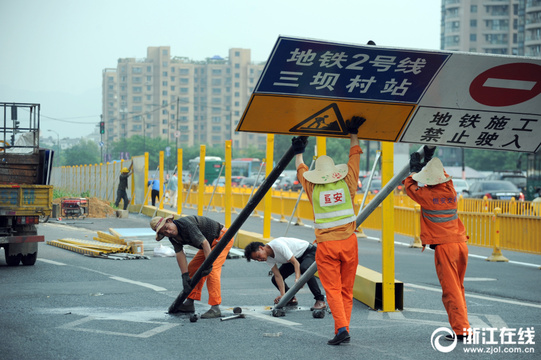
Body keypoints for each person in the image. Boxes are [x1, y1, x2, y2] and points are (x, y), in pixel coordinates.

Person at [293, 115, 366, 345]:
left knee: (332, 289)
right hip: (349, 242)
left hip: (326, 246)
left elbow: (300, 169)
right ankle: (342, 328)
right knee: (346, 289)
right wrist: (353, 132)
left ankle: (341, 328)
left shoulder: (312, 187)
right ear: (335, 172)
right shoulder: (348, 183)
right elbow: (354, 158)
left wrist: (298, 150)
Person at [403, 150, 471, 341]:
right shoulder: (451, 190)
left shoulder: (426, 196)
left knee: (451, 290)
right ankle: (463, 325)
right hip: (461, 244)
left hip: (445, 247)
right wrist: (428, 160)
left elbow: (409, 186)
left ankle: (461, 330)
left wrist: (414, 169)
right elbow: (442, 176)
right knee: (458, 288)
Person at [150, 214, 233, 319]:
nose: (168, 232)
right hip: (208, 244)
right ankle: (190, 302)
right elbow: (180, 253)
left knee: (212, 271)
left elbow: (204, 243)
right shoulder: (173, 237)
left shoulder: (186, 224)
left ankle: (215, 307)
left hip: (221, 239)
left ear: (170, 221)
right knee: (192, 268)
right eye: (164, 232)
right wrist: (184, 276)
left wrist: (208, 265)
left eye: (167, 228)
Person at [244, 237, 327, 310]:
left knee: (305, 268)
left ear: (261, 248)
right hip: (295, 258)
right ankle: (290, 298)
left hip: (308, 252)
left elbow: (295, 263)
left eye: (258, 256)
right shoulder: (267, 258)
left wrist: (298, 279)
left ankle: (320, 300)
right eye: (256, 259)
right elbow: (278, 276)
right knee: (274, 279)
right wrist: (283, 296)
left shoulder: (277, 245)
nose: (259, 259)